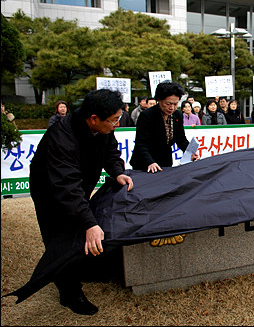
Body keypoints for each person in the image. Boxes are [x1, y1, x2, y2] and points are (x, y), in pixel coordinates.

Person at [27, 89, 134, 315]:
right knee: (61, 235)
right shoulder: (61, 138)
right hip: (51, 191)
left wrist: (117, 172)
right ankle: (69, 292)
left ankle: (87, 269)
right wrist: (89, 223)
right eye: (114, 120)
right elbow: (67, 188)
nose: (117, 124)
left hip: (77, 185)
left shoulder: (102, 128)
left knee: (81, 227)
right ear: (94, 118)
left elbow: (111, 152)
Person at [130, 81, 199, 173]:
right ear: (159, 100)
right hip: (145, 163)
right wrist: (150, 162)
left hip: (165, 161)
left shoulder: (177, 115)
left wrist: (190, 152)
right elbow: (141, 143)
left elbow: (180, 138)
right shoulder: (147, 115)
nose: (172, 108)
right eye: (168, 104)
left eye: (175, 104)